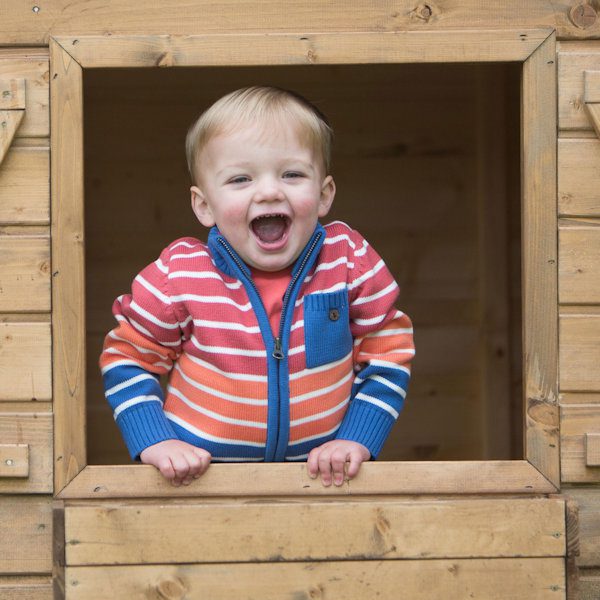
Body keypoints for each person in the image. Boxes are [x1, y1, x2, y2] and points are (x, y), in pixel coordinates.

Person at [99, 86, 414, 488]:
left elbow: (387, 350)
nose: (268, 191)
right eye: (241, 178)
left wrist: (357, 438)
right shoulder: (179, 276)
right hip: (200, 484)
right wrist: (155, 441)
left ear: (324, 194)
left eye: (292, 174)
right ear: (204, 206)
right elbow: (128, 358)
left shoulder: (348, 261)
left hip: (321, 481)